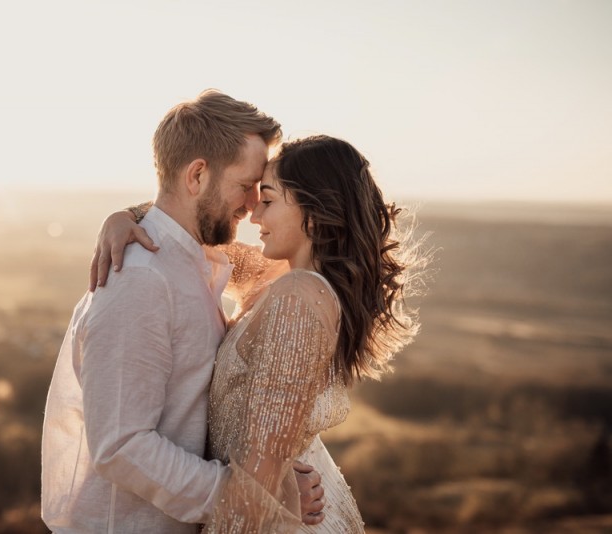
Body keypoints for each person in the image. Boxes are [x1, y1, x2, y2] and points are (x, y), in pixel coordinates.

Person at [97, 134, 425, 532]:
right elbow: (184, 231)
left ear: (314, 213)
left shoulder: (300, 301)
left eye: (267, 201)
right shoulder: (280, 277)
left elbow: (260, 475)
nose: (253, 215)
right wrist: (125, 217)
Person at [41, 90, 326, 534]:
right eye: (245, 185)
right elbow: (121, 444)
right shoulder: (141, 279)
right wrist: (250, 497)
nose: (252, 204)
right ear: (197, 175)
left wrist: (272, 477)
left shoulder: (194, 262)